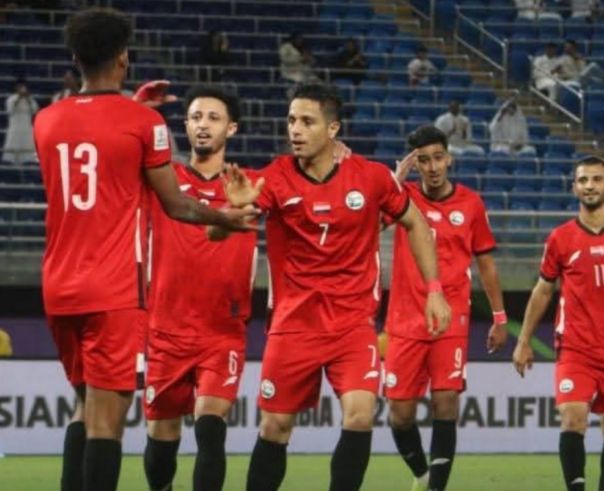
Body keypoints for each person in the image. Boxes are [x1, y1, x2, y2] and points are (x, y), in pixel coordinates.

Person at [32, 9, 256, 491]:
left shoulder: (45, 120)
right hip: (112, 289)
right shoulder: (145, 122)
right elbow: (178, 205)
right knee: (106, 422)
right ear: (123, 58)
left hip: (58, 284)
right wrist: (226, 218)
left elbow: (97, 140)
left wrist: (130, 103)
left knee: (82, 405)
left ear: (75, 58)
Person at [215, 83, 451, 491]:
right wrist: (232, 209)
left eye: (307, 121)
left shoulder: (372, 177)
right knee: (275, 427)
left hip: (352, 324)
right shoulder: (273, 177)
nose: (295, 129)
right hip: (294, 324)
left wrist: (434, 289)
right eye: (291, 120)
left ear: (333, 128)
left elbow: (416, 223)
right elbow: (217, 235)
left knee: (360, 415)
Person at [141, 86, 259, 491]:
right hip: (166, 329)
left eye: (213, 117)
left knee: (210, 426)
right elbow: (111, 155)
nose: (203, 125)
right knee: (162, 439)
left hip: (221, 332)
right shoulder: (164, 180)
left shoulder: (250, 184)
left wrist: (336, 150)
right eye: (195, 117)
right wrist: (136, 112)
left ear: (232, 128)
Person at [384, 126, 508, 491]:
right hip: (405, 317)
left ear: (449, 158)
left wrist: (500, 317)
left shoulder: (470, 203)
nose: (433, 167)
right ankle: (422, 473)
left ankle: (437, 487)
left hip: (452, 316)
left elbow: (486, 265)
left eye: (438, 158)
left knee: (446, 402)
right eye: (424, 160)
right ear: (416, 164)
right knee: (400, 414)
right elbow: (369, 226)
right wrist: (394, 182)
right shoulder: (403, 197)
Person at [513, 155, 604, 491]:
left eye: (597, 179)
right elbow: (543, 290)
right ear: (574, 188)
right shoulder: (560, 238)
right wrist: (523, 340)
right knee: (572, 418)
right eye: (583, 180)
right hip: (576, 349)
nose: (590, 186)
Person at [2, 78, 39, 164]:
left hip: (26, 129)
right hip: (15, 129)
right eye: (19, 87)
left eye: (23, 86)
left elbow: (35, 110)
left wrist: (28, 99)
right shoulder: (11, 99)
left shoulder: (30, 99)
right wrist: (19, 98)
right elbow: (10, 110)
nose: (22, 89)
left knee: (28, 152)